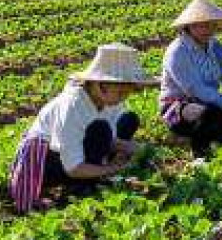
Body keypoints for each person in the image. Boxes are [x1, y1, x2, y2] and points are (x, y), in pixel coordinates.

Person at [9, 43, 157, 214]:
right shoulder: (73, 106)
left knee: (128, 118)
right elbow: (73, 167)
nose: (123, 98)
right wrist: (113, 169)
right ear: (101, 85)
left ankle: (92, 178)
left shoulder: (105, 100)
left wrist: (129, 148)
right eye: (121, 93)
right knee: (100, 129)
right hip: (46, 162)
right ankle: (81, 188)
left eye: (127, 93)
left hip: (76, 152)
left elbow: (110, 138)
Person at [160, 0, 222, 157]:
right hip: (178, 109)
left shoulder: (216, 47)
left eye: (210, 24)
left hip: (211, 103)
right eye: (200, 25)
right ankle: (199, 153)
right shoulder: (177, 51)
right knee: (209, 115)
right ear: (189, 26)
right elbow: (194, 89)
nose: (206, 29)